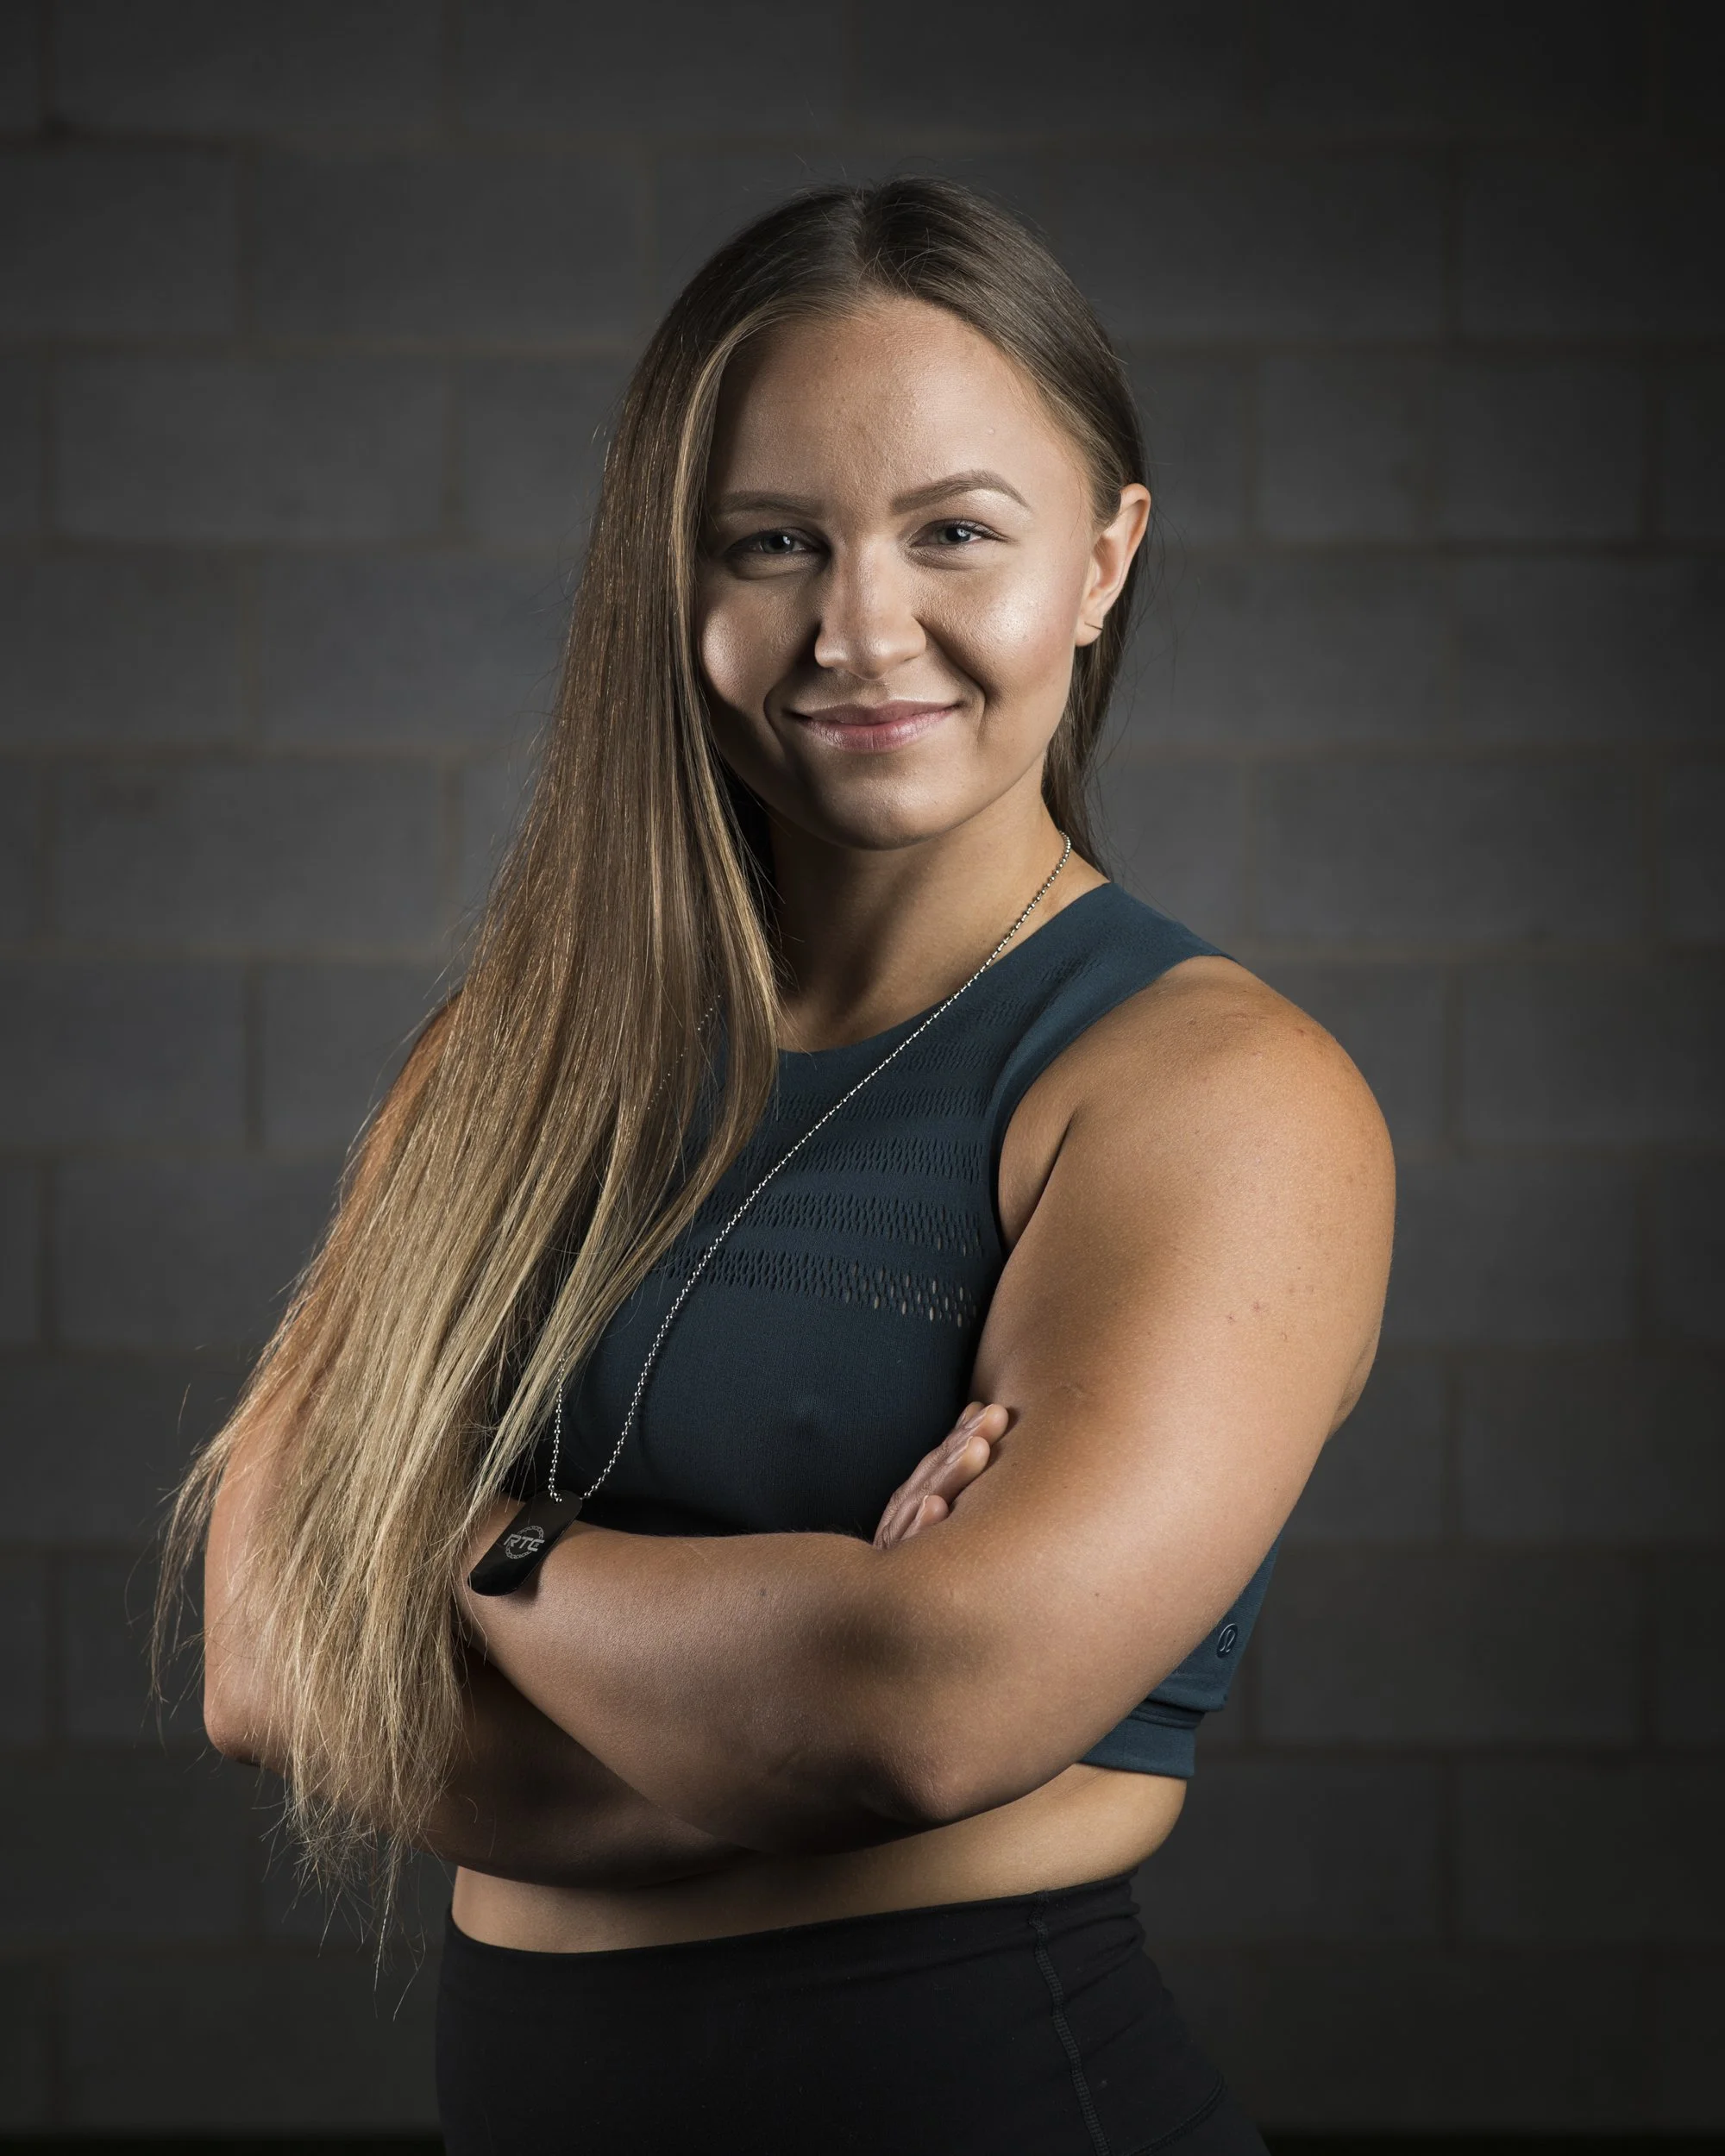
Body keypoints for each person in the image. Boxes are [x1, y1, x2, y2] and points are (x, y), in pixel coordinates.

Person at [176, 179, 1395, 2154]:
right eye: (771, 542)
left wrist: (464, 1539)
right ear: (671, 578)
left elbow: (919, 1708)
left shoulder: (1214, 1094)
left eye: (953, 535)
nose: (857, 629)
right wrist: (779, 1717)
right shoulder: (510, 1062)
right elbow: (263, 1655)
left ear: (1103, 558)